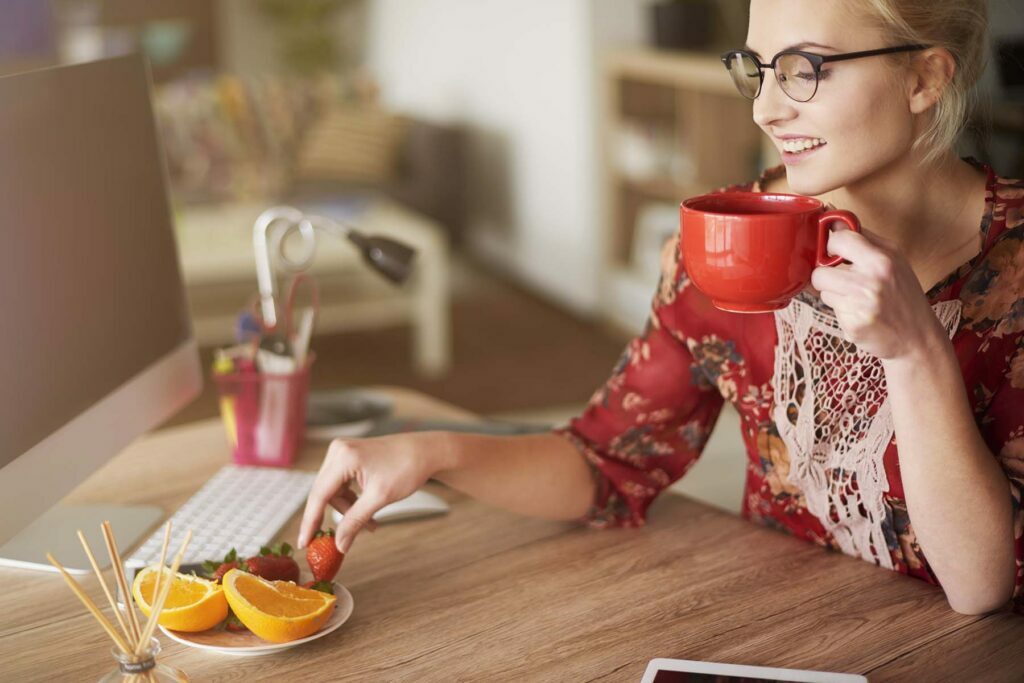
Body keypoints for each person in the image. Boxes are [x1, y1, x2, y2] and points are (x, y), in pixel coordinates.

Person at [299, 0, 1024, 617]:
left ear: (925, 77)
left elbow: (981, 586)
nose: (766, 108)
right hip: (781, 636)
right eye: (759, 69)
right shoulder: (733, 239)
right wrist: (432, 450)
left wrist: (916, 350)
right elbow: (609, 461)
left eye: (808, 68)